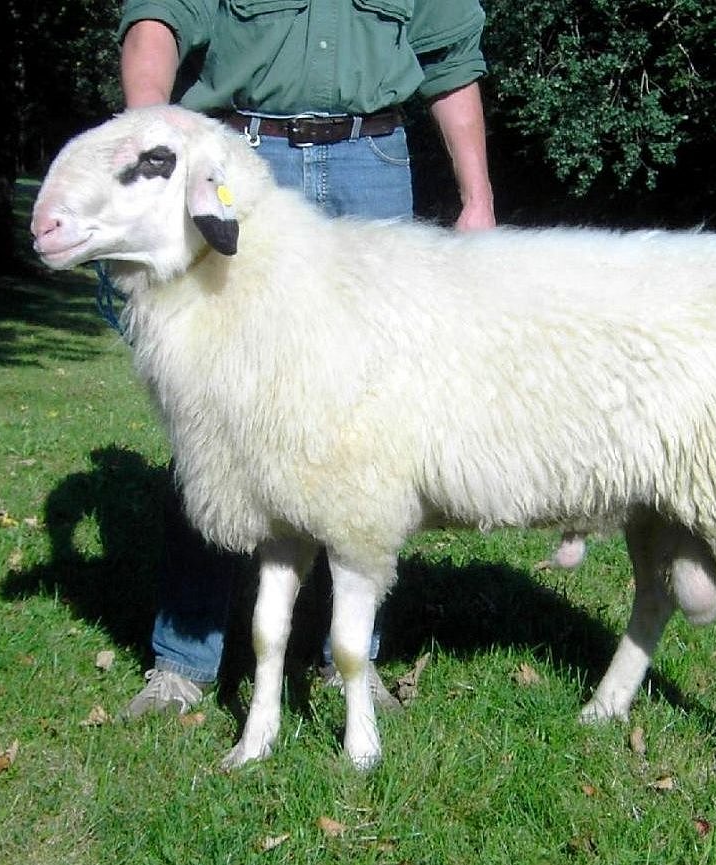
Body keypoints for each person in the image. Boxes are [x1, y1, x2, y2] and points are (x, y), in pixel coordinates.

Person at [116, 0, 496, 718]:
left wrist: (477, 197)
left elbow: (451, 64)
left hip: (374, 163)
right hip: (243, 161)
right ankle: (184, 661)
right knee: (214, 420)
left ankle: (350, 658)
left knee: (372, 433)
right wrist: (150, 137)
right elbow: (156, 24)